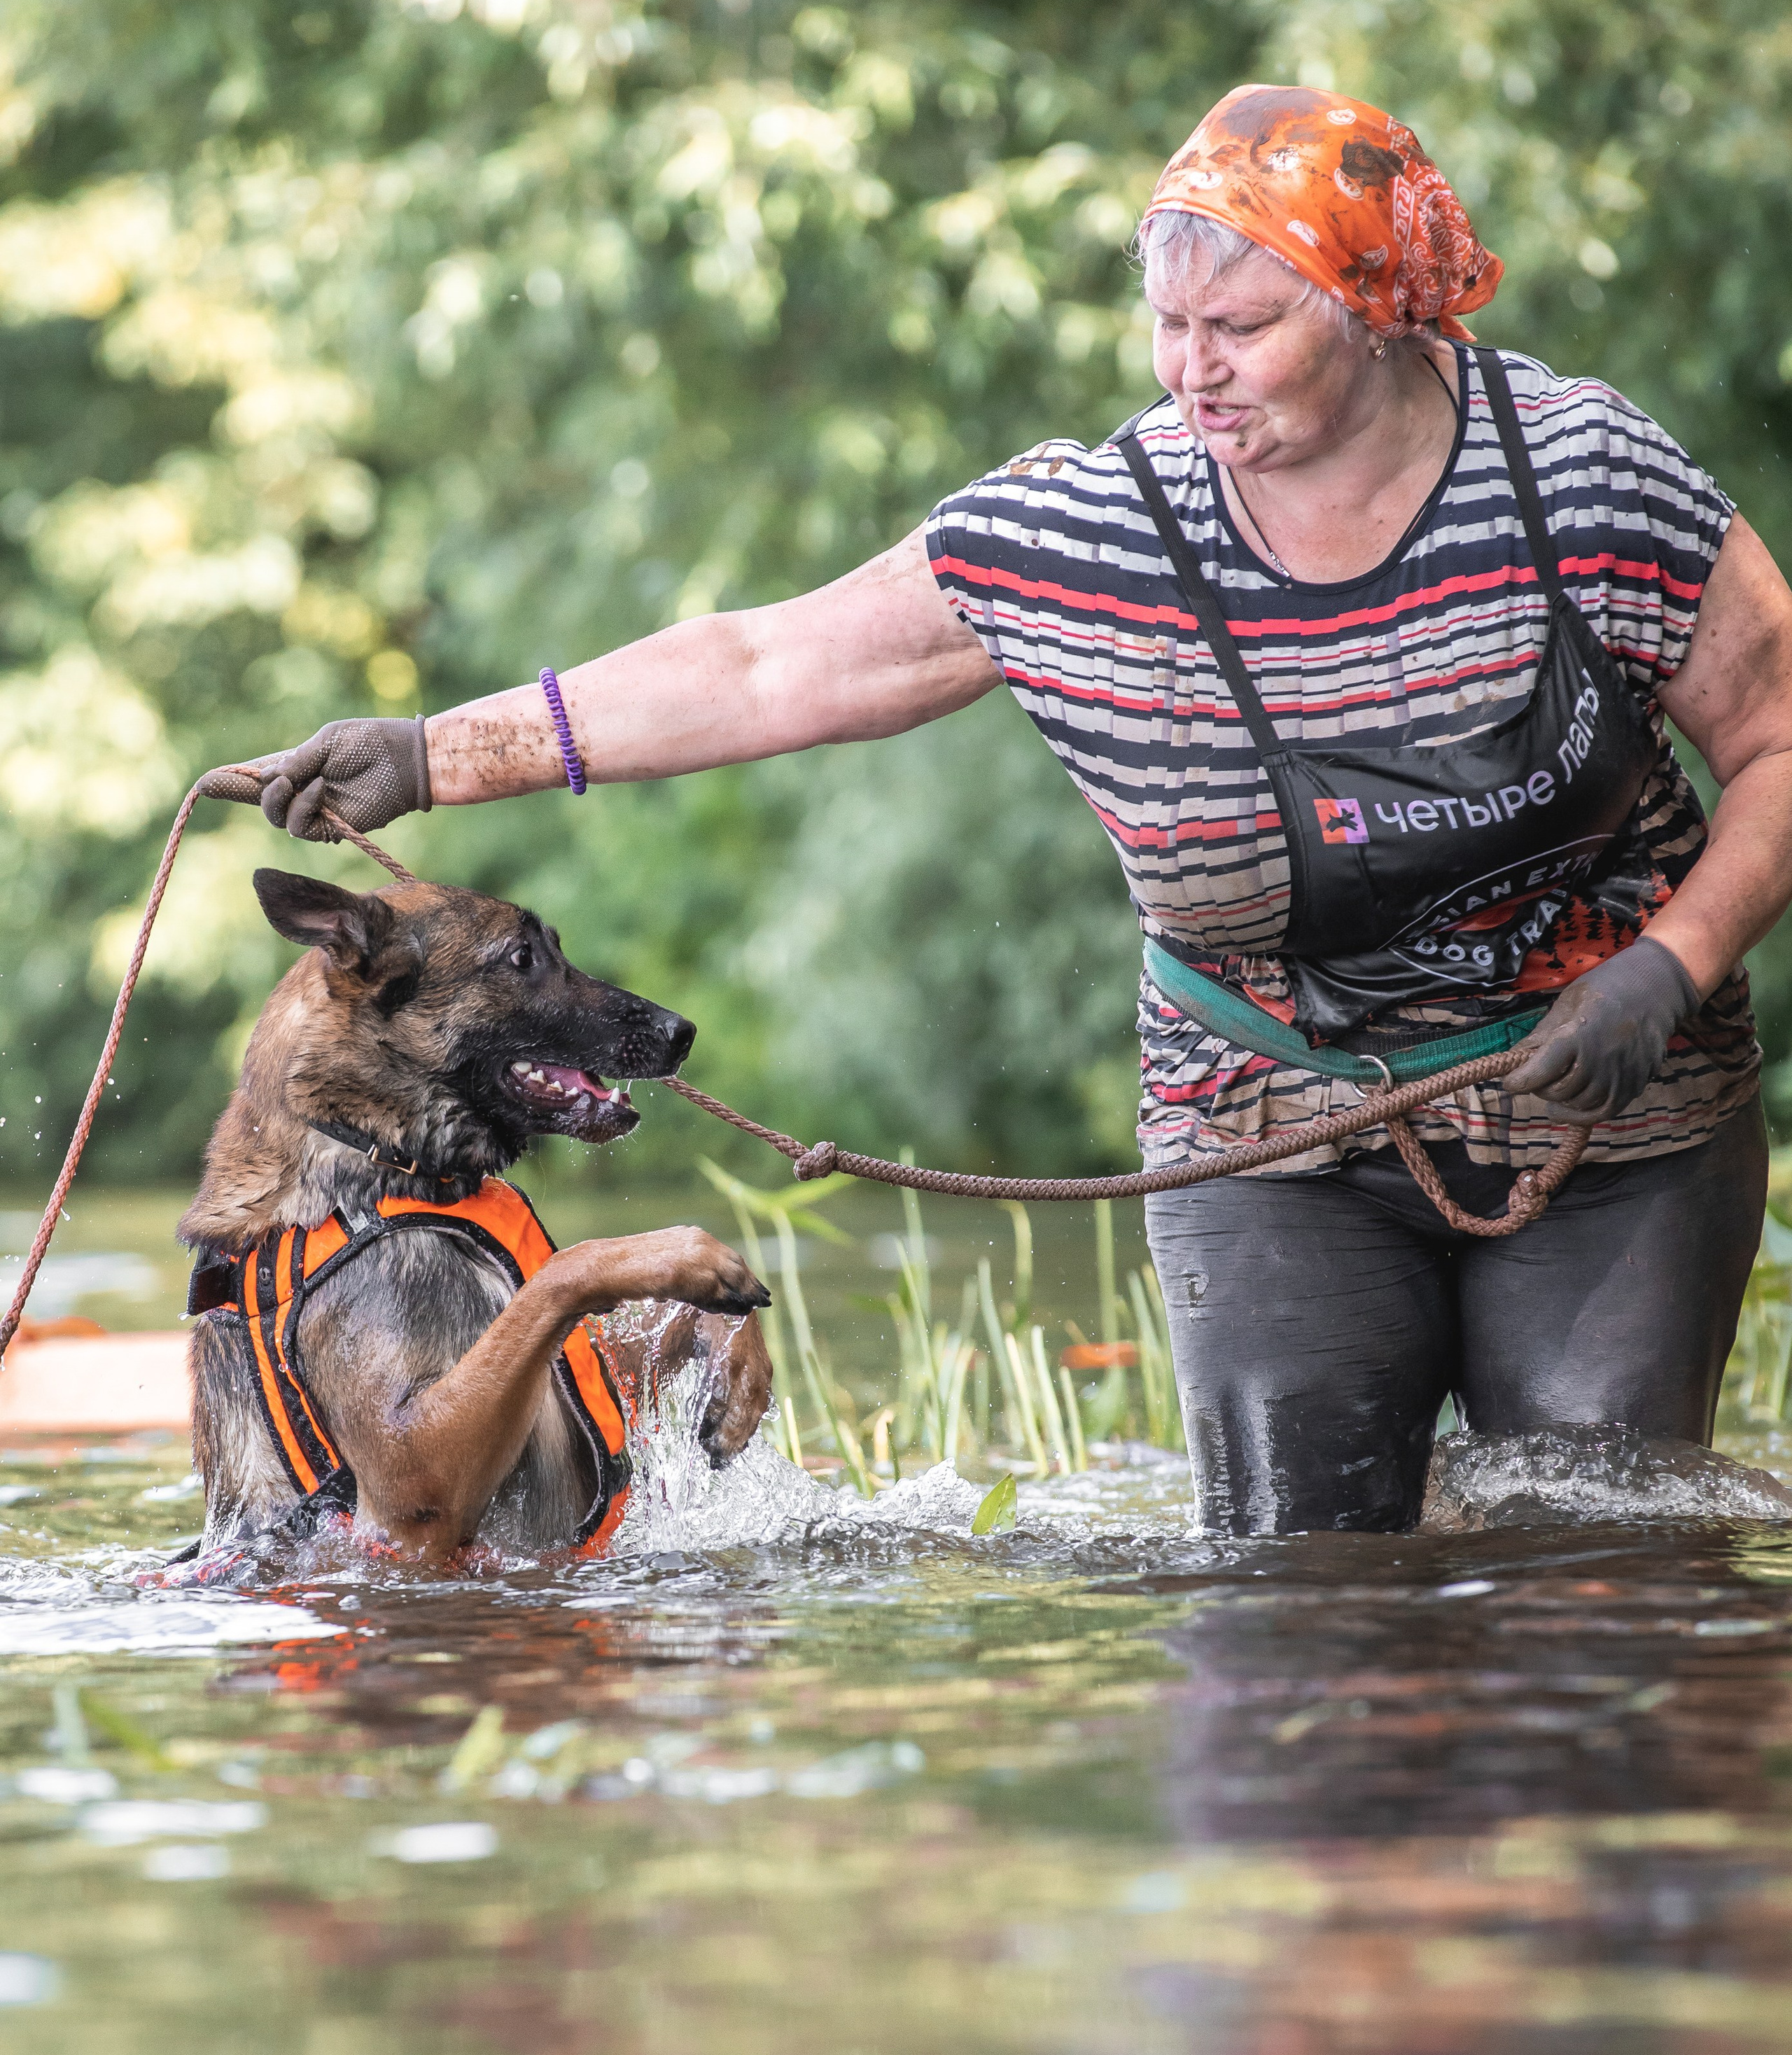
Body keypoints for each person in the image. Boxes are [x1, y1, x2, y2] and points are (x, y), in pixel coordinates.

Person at [251, 84, 1792, 1534]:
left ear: (1378, 310)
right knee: (1295, 1590)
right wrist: (439, 750)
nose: (1191, 370)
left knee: (1594, 1544)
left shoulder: (1581, 478)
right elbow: (765, 662)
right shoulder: (1083, 532)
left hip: (1618, 1121)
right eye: (1168, 324)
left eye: (1242, 327)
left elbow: (1777, 736)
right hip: (1259, 1118)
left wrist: (1670, 966)